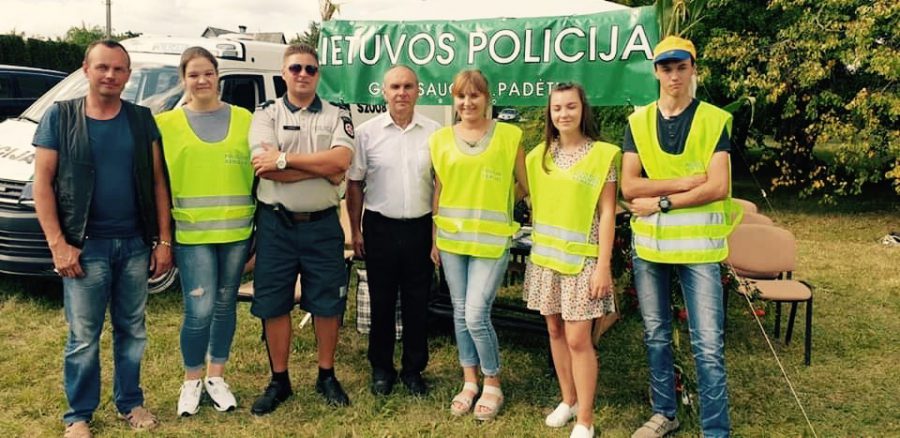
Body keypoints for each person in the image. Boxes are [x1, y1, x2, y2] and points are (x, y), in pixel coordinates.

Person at [32, 40, 173, 438]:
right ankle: (78, 415)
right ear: (86, 69)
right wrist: (58, 244)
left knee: (133, 329)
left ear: (128, 75)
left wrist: (163, 241)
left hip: (133, 245)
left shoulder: (142, 119)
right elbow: (42, 184)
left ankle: (130, 402)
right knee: (83, 336)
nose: (110, 75)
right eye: (102, 67)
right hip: (84, 247)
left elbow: (158, 182)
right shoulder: (60, 116)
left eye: (118, 69)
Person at [621, 36, 742, 438]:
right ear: (656, 72)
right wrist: (686, 182)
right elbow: (629, 186)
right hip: (651, 248)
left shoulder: (713, 119)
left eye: (681, 67)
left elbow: (718, 186)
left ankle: (716, 430)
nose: (674, 75)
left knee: (707, 344)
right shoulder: (638, 122)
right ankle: (664, 413)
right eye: (666, 68)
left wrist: (661, 202)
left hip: (699, 249)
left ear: (693, 69)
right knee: (656, 336)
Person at [247, 43, 354, 415]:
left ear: (318, 74)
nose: (303, 74)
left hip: (322, 225)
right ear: (283, 73)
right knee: (274, 302)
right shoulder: (266, 113)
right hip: (276, 224)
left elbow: (342, 160)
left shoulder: (337, 114)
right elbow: (264, 168)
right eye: (295, 68)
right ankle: (280, 380)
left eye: (310, 69)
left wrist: (284, 159)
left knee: (328, 301)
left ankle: (326, 374)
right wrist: (321, 169)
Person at [155, 47, 255, 417]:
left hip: (237, 233)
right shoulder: (165, 124)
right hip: (192, 235)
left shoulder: (245, 119)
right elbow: (158, 183)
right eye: (194, 74)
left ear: (218, 76)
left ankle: (216, 376)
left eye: (208, 73)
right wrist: (163, 236)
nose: (202, 80)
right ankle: (191, 380)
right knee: (199, 310)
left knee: (226, 305)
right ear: (183, 79)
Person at [523, 83, 620, 438]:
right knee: (554, 331)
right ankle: (569, 401)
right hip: (546, 260)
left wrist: (604, 265)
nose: (564, 113)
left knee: (579, 339)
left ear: (583, 110)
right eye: (557, 108)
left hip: (584, 262)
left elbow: (607, 213)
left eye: (570, 106)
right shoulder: (537, 157)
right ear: (549, 113)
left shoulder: (602, 155)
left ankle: (586, 419)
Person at [430, 69, 528, 421]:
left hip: (491, 240)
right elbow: (440, 189)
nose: (468, 102)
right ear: (454, 100)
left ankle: (493, 382)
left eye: (475, 95)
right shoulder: (440, 139)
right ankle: (469, 381)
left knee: (475, 313)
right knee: (460, 312)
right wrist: (434, 236)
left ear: (487, 98)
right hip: (451, 239)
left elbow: (524, 185)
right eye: (461, 96)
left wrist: (500, 201)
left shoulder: (509, 136)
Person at [347, 65, 441, 397]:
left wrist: (436, 235)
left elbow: (440, 185)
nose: (402, 93)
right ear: (384, 92)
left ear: (418, 91)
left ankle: (414, 370)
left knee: (418, 302)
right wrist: (356, 230)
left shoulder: (435, 133)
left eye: (408, 86)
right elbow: (355, 183)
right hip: (380, 227)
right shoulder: (367, 133)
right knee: (382, 300)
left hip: (420, 227)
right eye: (395, 87)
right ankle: (381, 369)